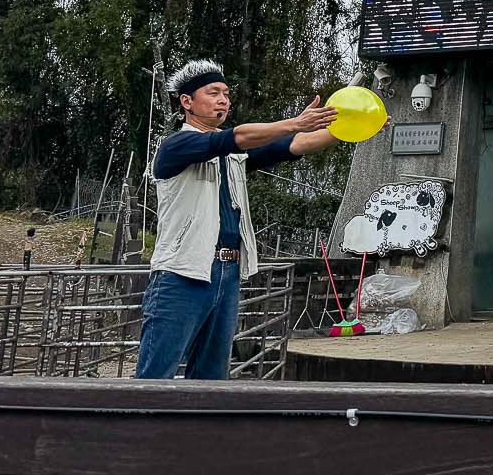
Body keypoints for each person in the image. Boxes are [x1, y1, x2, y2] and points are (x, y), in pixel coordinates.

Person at [136, 59, 343, 380]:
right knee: (156, 374)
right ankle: (139, 430)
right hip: (181, 272)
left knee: (212, 375)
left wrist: (352, 127)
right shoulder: (176, 145)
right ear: (187, 102)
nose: (223, 100)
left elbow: (296, 144)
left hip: (226, 271)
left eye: (226, 94)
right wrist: (294, 122)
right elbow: (234, 138)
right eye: (213, 92)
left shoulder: (232, 156)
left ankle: (200, 430)